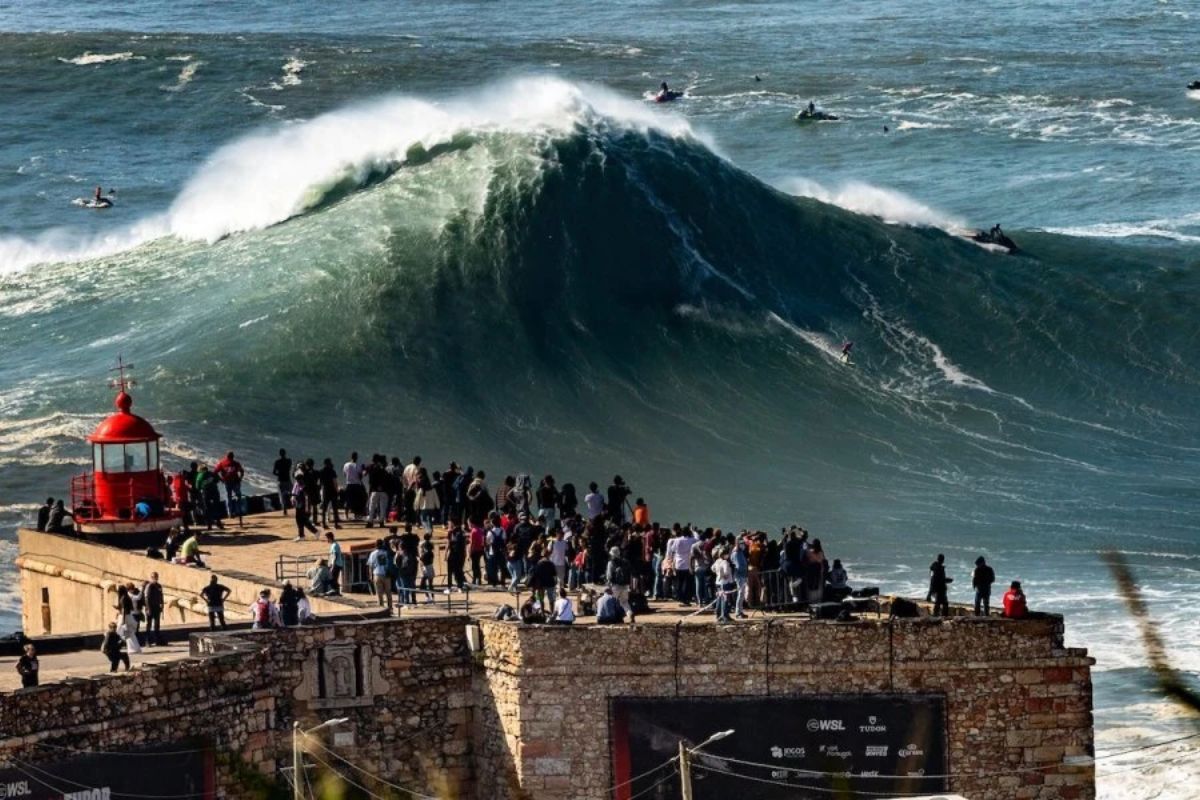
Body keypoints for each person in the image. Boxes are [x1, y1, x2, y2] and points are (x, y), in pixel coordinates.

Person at [214, 451, 245, 526]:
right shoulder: (235, 463)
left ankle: (231, 513)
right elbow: (242, 471)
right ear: (232, 456)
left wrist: (221, 479)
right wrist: (240, 478)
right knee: (236, 496)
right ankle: (236, 512)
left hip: (229, 482)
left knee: (230, 497)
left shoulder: (222, 463)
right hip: (233, 482)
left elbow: (215, 472)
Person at [606, 546, 634, 622]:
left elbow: (609, 576)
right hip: (625, 586)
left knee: (612, 602)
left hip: (615, 586)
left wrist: (608, 585)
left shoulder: (610, 563)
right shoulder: (625, 562)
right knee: (624, 602)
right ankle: (630, 613)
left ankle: (613, 617)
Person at [114, 585, 142, 653]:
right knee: (130, 634)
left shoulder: (123, 598)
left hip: (125, 617)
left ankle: (116, 646)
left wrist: (123, 621)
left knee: (120, 632)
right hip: (128, 617)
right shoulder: (126, 597)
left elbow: (124, 610)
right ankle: (135, 649)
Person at [368, 539, 393, 611]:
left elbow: (370, 566)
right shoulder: (386, 553)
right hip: (386, 574)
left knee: (379, 594)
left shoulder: (373, 554)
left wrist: (371, 576)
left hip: (377, 574)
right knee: (388, 593)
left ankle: (381, 609)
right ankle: (390, 608)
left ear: (375, 545)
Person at [141, 572, 165, 646]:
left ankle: (158, 640)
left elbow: (161, 595)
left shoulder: (159, 586)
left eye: (156, 577)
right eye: (153, 577)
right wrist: (148, 608)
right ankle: (147, 641)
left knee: (157, 625)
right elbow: (146, 598)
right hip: (150, 607)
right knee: (149, 624)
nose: (155, 578)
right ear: (151, 578)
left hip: (157, 607)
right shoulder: (149, 586)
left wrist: (162, 604)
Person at [319, 458, 341, 529]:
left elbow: (320, 482)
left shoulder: (321, 471)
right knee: (335, 508)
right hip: (332, 491)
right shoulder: (332, 471)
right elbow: (334, 482)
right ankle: (336, 524)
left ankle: (324, 524)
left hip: (325, 490)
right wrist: (337, 490)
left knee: (324, 508)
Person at [343, 452, 366, 520]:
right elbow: (360, 476)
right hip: (357, 484)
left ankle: (346, 515)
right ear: (357, 457)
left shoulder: (346, 464)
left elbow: (344, 474)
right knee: (358, 500)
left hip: (349, 484)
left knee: (348, 500)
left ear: (351, 457)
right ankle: (356, 515)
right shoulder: (359, 465)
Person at [272, 449, 293, 514]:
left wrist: (279, 474)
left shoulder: (277, 462)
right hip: (287, 479)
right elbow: (289, 468)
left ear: (280, 454)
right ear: (285, 453)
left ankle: (284, 509)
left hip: (280, 480)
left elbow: (274, 472)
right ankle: (297, 505)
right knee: (293, 493)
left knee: (282, 495)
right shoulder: (289, 461)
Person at [419, 532, 437, 602]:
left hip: (425, 568)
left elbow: (421, 559)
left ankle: (427, 597)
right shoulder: (431, 553)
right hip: (430, 567)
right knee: (430, 584)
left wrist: (419, 558)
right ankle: (432, 597)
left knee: (423, 584)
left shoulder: (425, 553)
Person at [326, 531, 344, 596]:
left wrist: (332, 566)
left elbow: (335, 556)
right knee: (334, 579)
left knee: (333, 579)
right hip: (337, 564)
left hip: (336, 565)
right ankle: (337, 592)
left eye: (327, 538)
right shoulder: (334, 544)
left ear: (329, 538)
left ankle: (336, 592)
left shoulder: (334, 545)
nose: (326, 540)